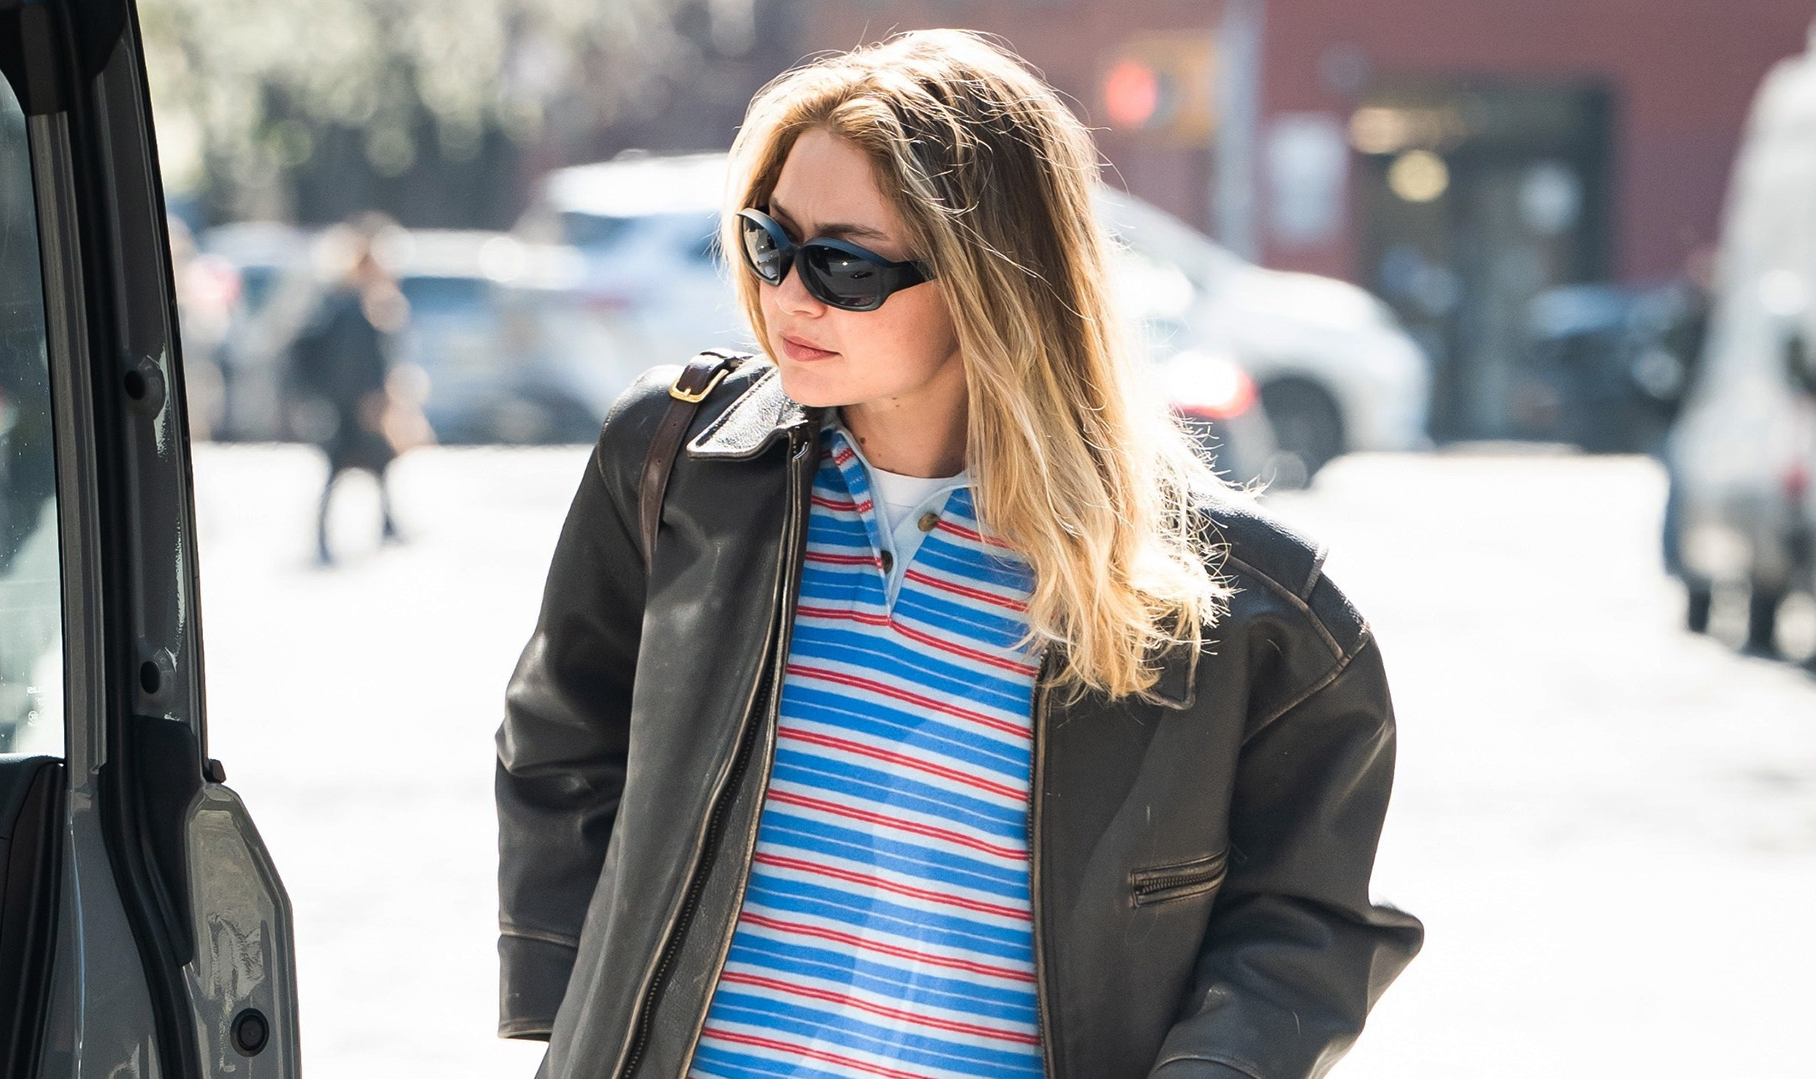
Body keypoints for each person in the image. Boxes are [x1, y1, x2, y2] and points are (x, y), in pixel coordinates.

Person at [497, 30, 1421, 1079]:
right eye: (770, 243)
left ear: (994, 282)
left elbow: (1306, 923)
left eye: (843, 264)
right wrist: (587, 1020)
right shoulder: (678, 465)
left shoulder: (1245, 607)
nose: (789, 295)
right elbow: (561, 736)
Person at [290, 215, 410, 565]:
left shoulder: (354, 305)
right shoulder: (350, 308)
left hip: (348, 403)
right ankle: (326, 538)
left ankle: (384, 525)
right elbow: (356, 362)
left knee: (375, 465)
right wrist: (367, 398)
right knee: (342, 467)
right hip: (351, 406)